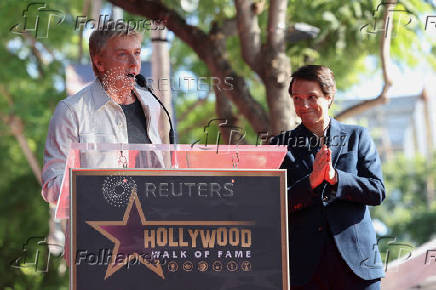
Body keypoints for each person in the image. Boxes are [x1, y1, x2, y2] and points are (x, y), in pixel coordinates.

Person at [270, 65, 385, 289]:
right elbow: (275, 205)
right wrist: (310, 182)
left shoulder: (357, 136)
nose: (303, 106)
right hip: (305, 271)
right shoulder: (279, 146)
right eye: (296, 98)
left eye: (312, 97)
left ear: (329, 97)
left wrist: (336, 178)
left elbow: (377, 191)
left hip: (358, 268)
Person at [41, 22, 163, 204]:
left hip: (147, 227)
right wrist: (106, 189)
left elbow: (157, 174)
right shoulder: (71, 111)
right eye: (123, 55)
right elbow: (52, 187)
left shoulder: (152, 105)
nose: (134, 64)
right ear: (99, 63)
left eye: (137, 53)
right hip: (94, 229)